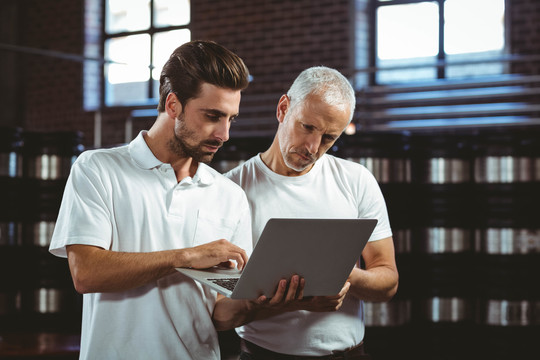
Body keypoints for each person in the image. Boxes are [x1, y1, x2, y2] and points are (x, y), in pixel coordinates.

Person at [49, 40, 253, 360]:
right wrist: (186, 257)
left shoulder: (230, 196)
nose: (224, 134)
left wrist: (271, 302)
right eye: (213, 116)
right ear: (173, 105)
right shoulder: (98, 169)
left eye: (231, 119)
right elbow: (86, 272)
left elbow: (220, 312)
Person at [213, 66, 399, 359]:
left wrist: (344, 276)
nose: (313, 147)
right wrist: (289, 302)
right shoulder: (229, 191)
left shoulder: (356, 180)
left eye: (328, 138)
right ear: (283, 108)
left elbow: (388, 281)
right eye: (308, 127)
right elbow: (220, 313)